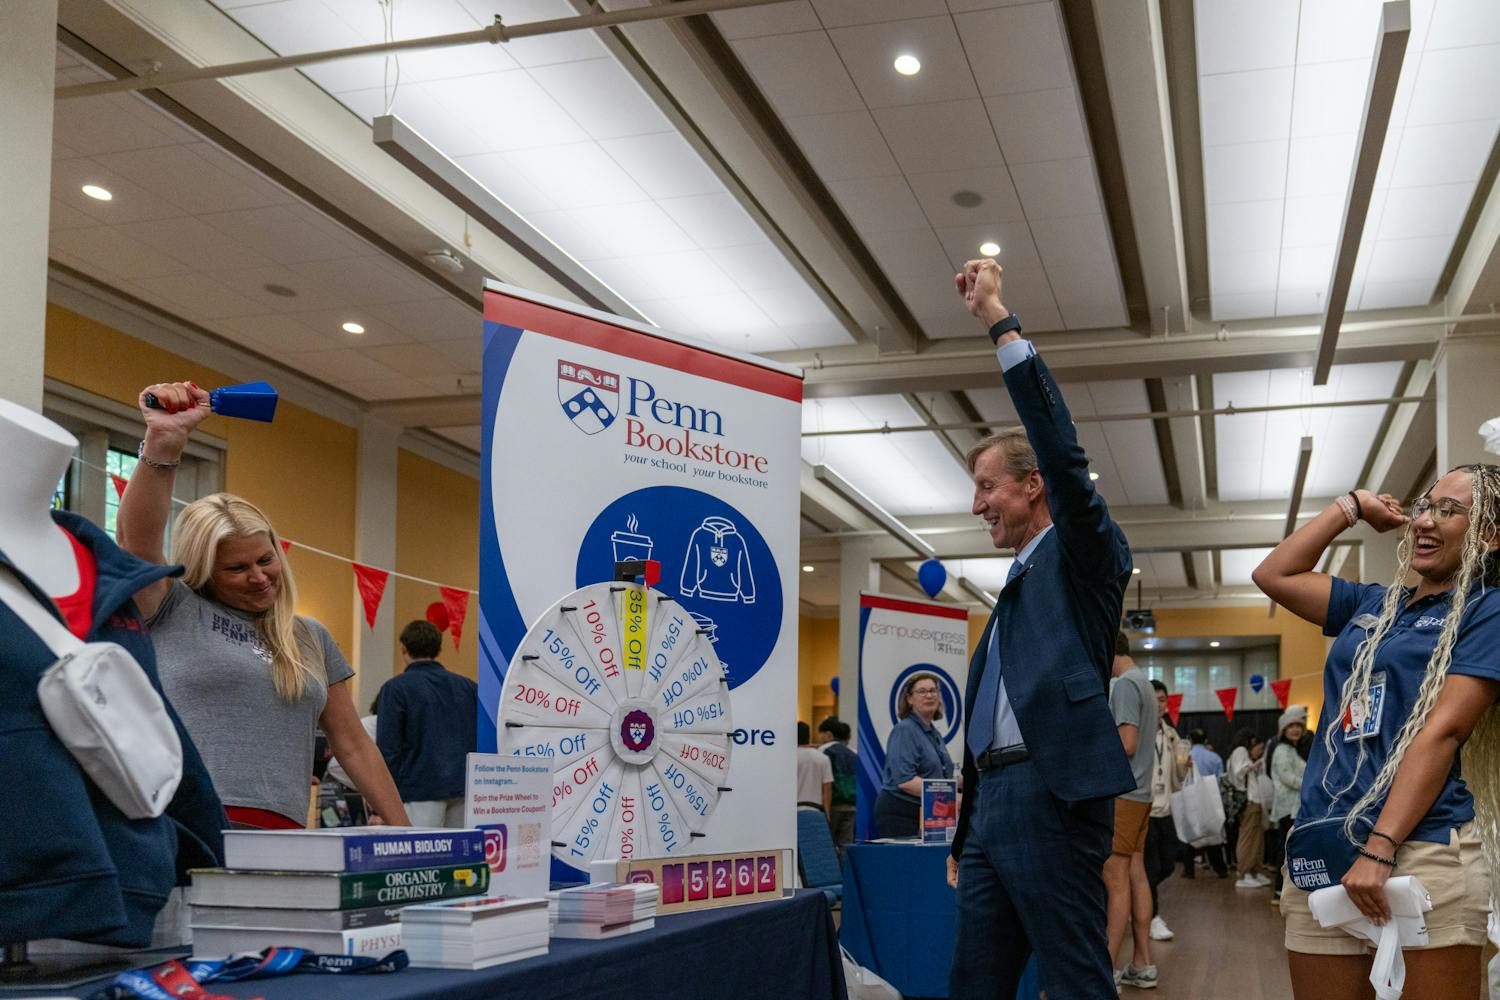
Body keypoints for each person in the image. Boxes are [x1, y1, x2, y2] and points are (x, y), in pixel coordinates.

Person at [945, 259, 1136, 1000]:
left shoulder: (1084, 554)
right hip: (992, 807)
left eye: (986, 486)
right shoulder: (1013, 593)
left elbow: (1061, 449)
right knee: (975, 983)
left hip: (1050, 795)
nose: (976, 506)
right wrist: (968, 830)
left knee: (1076, 981)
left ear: (1034, 486)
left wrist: (999, 322)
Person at [1254, 469, 1500, 999]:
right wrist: (1352, 506)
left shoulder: (1489, 610)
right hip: (1325, 838)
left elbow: (1443, 731)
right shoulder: (1372, 604)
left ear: (1489, 535)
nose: (1425, 520)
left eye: (1448, 510)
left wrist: (1380, 848)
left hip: (1420, 848)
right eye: (1424, 505)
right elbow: (1273, 574)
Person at [118, 380, 408, 829]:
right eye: (236, 568)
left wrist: (402, 830)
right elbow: (136, 545)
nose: (258, 577)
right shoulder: (174, 609)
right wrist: (164, 441)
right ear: (204, 570)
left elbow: (353, 744)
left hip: (283, 831)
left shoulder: (309, 636)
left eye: (265, 560)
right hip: (187, 825)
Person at [375, 620, 479, 827]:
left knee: (419, 847)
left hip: (419, 788)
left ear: (403, 647)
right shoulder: (468, 687)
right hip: (464, 786)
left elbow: (388, 749)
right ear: (439, 649)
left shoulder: (395, 689)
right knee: (459, 847)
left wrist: (383, 797)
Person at [1105, 634, 1158, 990]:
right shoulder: (1144, 682)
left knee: (1116, 881)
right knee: (1136, 875)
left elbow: (1126, 744)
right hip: (1141, 794)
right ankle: (1142, 963)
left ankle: (1105, 969)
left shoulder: (1125, 684)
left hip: (1123, 794)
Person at [876, 674, 954, 836]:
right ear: (909, 699)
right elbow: (905, 780)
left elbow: (938, 773)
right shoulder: (905, 730)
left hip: (930, 813)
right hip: (901, 814)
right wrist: (950, 795)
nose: (929, 695)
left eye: (933, 691)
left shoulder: (933, 733)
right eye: (922, 691)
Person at [1145, 679, 1187, 942]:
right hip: (1143, 809)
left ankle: (1140, 900)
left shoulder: (1170, 734)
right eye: (1154, 699)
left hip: (1166, 808)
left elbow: (1179, 777)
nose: (1158, 704)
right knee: (1149, 868)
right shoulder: (1137, 729)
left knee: (1168, 864)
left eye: (1162, 700)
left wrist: (1185, 764)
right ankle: (1152, 917)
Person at [1266, 706, 1308, 903]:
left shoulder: (1292, 749)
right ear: (1283, 729)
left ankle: (1284, 890)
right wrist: (1311, 784)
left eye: (1298, 725)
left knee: (1288, 848)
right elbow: (1287, 778)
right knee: (1286, 849)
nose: (1296, 729)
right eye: (1291, 726)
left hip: (1293, 807)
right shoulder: (1282, 750)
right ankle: (1279, 890)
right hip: (1288, 808)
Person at [1227, 730, 1272, 889]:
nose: (1259, 751)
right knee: (1248, 838)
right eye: (1257, 747)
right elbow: (1240, 771)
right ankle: (1244, 873)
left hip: (1254, 801)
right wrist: (1258, 763)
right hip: (1249, 801)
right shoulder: (1240, 751)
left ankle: (1254, 871)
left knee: (1257, 839)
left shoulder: (1240, 753)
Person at [1182, 729, 1228, 878]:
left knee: (1189, 835)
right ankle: (1221, 870)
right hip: (1210, 799)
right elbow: (1220, 780)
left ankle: (1189, 871)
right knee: (1213, 833)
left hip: (1190, 799)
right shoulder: (1215, 757)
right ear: (1206, 740)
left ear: (1190, 740)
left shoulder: (1186, 757)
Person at [818, 717, 857, 854]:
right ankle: (845, 868)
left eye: (821, 734)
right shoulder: (854, 753)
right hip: (852, 805)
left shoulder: (824, 751)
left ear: (828, 734)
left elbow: (824, 781)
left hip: (832, 805)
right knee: (845, 845)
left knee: (826, 845)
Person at [796, 720, 833, 814]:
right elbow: (827, 790)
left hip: (792, 809)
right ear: (809, 736)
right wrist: (827, 814)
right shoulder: (823, 758)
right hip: (815, 809)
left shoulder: (788, 758)